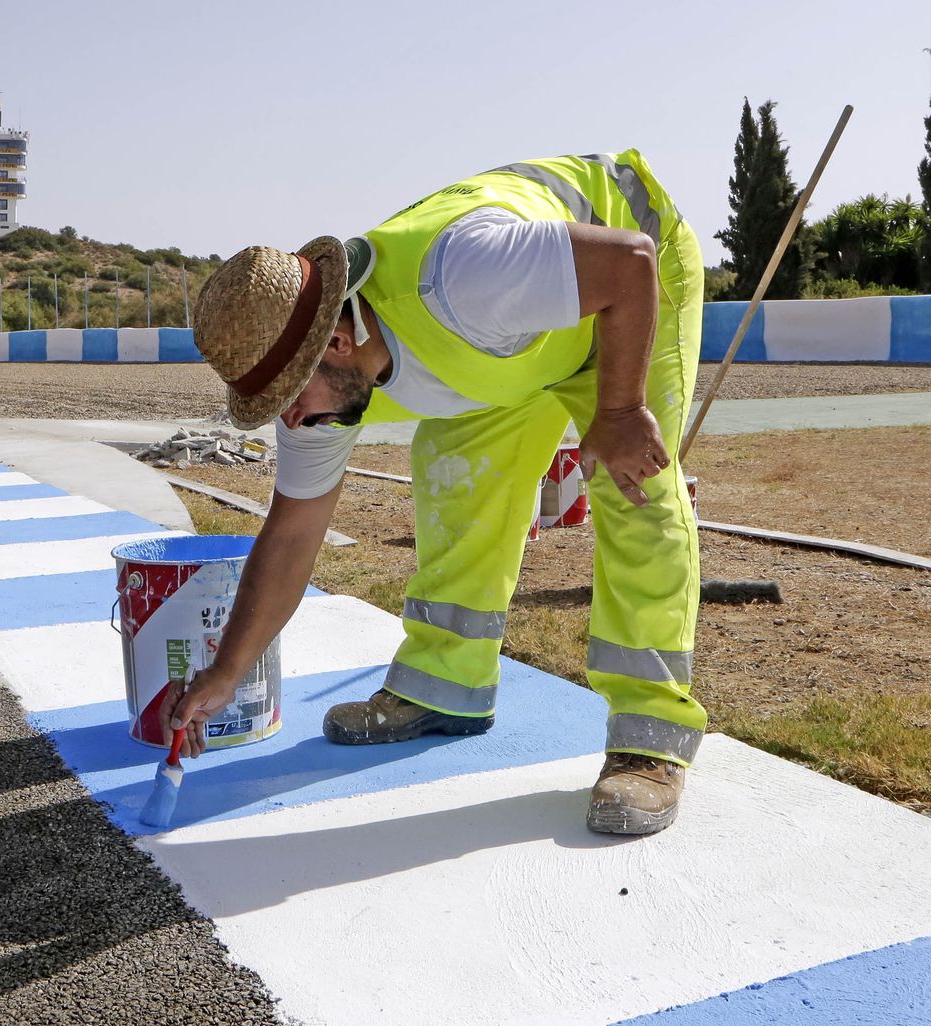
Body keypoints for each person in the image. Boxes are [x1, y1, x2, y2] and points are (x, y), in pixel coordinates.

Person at [168, 150, 704, 835]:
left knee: (636, 489)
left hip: (627, 291)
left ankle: (650, 739)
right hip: (513, 341)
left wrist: (622, 413)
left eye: (289, 400)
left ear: (335, 341)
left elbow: (629, 262)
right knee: (455, 470)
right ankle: (446, 686)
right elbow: (293, 532)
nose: (290, 420)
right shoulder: (320, 386)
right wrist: (226, 671)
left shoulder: (463, 278)